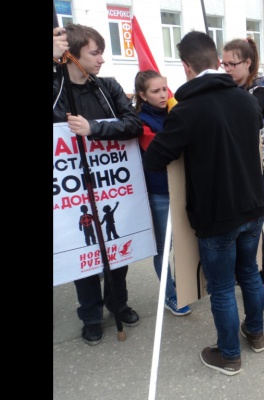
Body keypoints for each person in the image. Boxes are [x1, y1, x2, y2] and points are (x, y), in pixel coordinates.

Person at [142, 31, 264, 376]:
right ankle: (255, 333)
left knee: (223, 287)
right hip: (253, 206)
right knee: (250, 274)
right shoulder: (246, 100)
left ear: (186, 66)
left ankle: (229, 354)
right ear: (217, 61)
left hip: (216, 215)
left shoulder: (186, 111)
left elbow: (154, 159)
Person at [53, 23, 143, 345]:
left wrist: (94, 129)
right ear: (71, 56)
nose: (102, 59)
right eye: (95, 53)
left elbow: (133, 124)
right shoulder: (57, 87)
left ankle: (118, 303)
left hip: (110, 184)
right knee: (85, 255)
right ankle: (90, 315)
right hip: (72, 191)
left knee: (116, 249)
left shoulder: (108, 87)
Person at [133, 70, 192, 316]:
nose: (163, 95)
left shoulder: (173, 111)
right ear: (142, 95)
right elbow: (163, 149)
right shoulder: (141, 121)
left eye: (165, 89)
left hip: (182, 187)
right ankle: (169, 295)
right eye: (155, 91)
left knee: (185, 242)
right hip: (160, 192)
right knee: (163, 248)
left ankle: (185, 285)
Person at [222, 38, 264, 302]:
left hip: (256, 168)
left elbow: (253, 113)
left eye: (232, 64)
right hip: (233, 167)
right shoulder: (228, 86)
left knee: (253, 224)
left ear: (248, 63)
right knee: (237, 223)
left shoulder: (260, 87)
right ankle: (243, 271)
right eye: (224, 64)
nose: (227, 69)